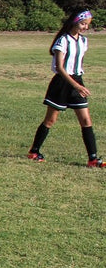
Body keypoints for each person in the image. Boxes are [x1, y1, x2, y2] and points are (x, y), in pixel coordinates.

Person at [27, 9, 104, 167]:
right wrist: (76, 85)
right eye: (83, 24)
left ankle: (93, 159)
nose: (85, 27)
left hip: (77, 81)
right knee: (50, 120)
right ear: (74, 22)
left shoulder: (83, 41)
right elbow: (60, 67)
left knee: (86, 120)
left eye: (87, 25)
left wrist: (78, 83)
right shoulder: (63, 40)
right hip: (62, 83)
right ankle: (34, 151)